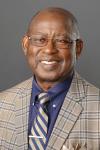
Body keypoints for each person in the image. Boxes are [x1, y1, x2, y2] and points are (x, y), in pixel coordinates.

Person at [0, 7, 100, 150]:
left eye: (62, 41)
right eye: (40, 40)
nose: (49, 49)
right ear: (25, 45)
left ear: (78, 48)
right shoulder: (2, 105)